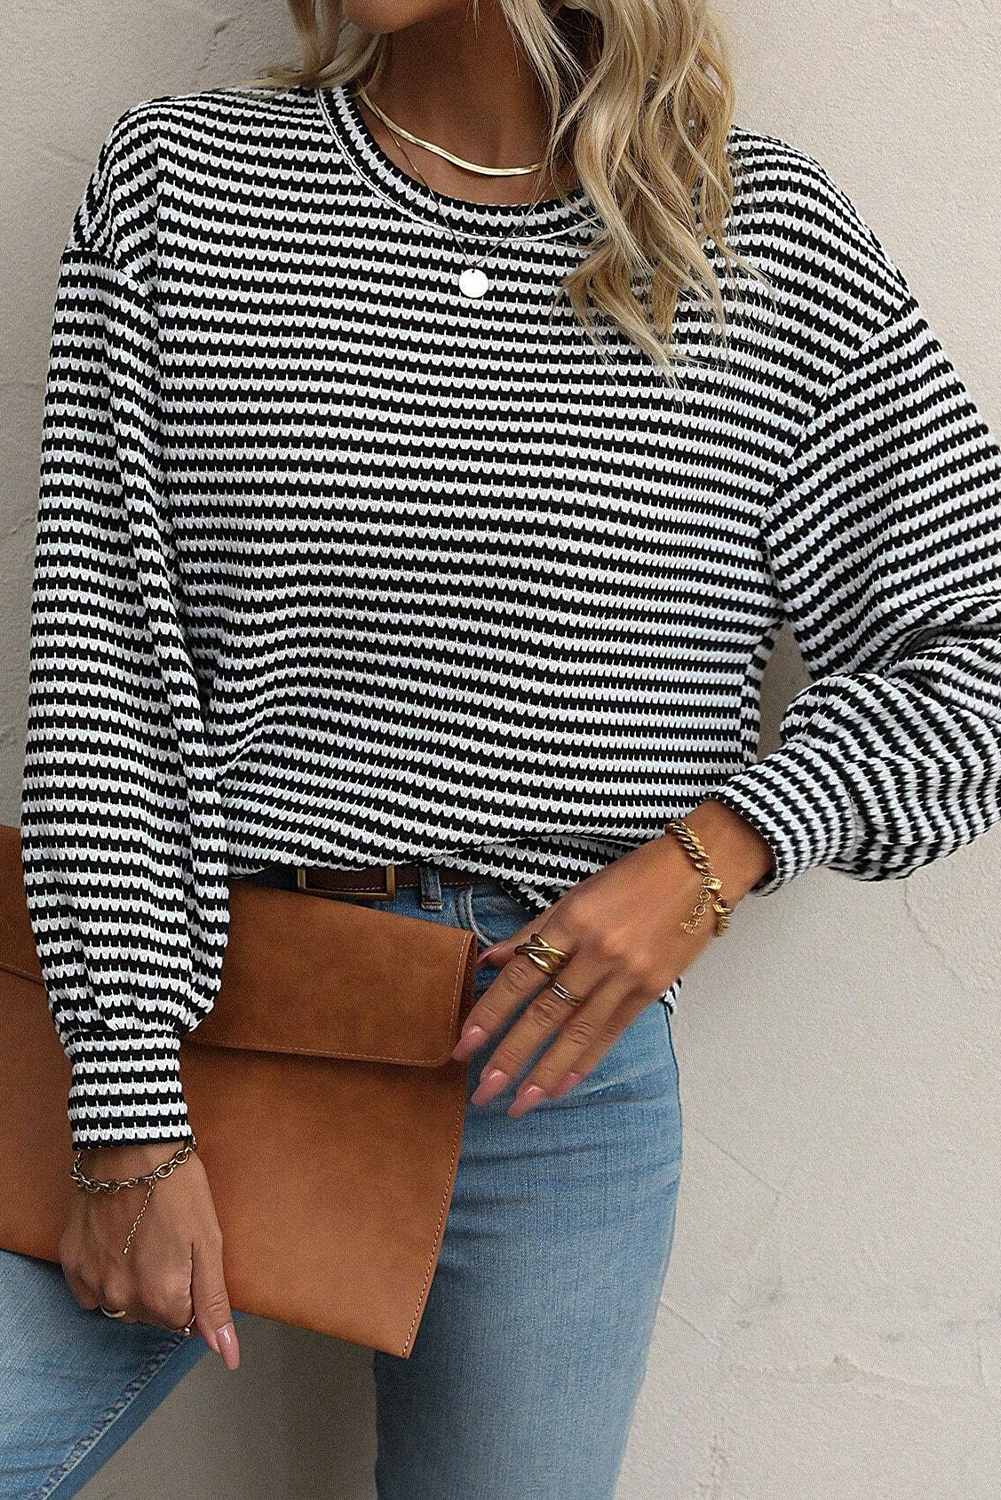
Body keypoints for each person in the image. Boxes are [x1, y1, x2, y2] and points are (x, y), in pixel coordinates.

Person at [4, 0, 1001, 1493]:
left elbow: (973, 654)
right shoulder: (183, 188)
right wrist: (129, 1119)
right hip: (210, 1007)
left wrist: (711, 858)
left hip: (548, 1067)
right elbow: (105, 678)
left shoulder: (758, 241)